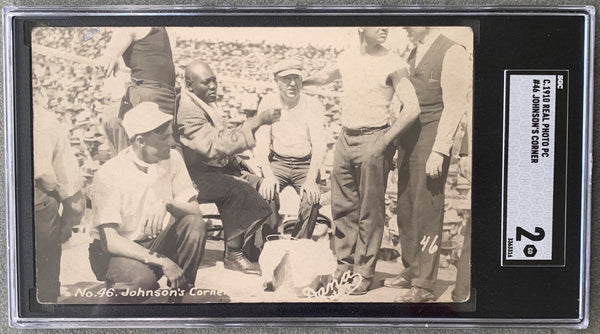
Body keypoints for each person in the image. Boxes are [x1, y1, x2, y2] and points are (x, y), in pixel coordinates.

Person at [304, 27, 421, 294]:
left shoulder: (393, 62)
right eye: (378, 22)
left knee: (370, 210)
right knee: (342, 206)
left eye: (387, 23)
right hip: (345, 137)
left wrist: (384, 140)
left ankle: (364, 273)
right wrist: (301, 80)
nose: (385, 28)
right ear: (360, 27)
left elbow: (412, 107)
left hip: (373, 137)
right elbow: (324, 76)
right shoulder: (347, 57)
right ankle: (344, 267)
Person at [383, 27, 470, 302]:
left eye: (410, 21)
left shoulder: (452, 50)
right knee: (406, 206)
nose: (405, 26)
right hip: (409, 140)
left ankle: (424, 284)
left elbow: (455, 105)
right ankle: (411, 269)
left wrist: (440, 150)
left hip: (432, 136)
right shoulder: (413, 51)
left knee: (427, 208)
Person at [89, 102, 206, 302]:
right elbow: (111, 241)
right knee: (138, 283)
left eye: (171, 134)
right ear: (141, 141)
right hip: (119, 250)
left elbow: (195, 212)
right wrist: (163, 262)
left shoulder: (172, 159)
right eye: (165, 137)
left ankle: (177, 300)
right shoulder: (109, 174)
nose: (172, 142)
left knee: (194, 224)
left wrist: (166, 203)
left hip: (155, 240)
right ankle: (121, 307)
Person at [175, 60, 282, 275]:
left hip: (214, 170)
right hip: (193, 176)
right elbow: (214, 145)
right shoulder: (187, 109)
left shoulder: (205, 102)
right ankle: (233, 255)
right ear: (189, 85)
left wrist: (248, 170)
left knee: (266, 186)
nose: (213, 86)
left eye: (214, 80)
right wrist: (257, 121)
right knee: (237, 188)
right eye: (206, 83)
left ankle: (258, 251)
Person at [254, 59, 326, 238]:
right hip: (278, 160)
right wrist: (269, 176)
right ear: (277, 81)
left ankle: (300, 244)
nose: (293, 83)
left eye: (297, 78)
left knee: (312, 198)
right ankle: (267, 243)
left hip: (305, 163)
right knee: (267, 193)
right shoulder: (269, 101)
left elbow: (319, 145)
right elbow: (261, 142)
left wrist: (310, 180)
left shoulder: (312, 104)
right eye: (287, 78)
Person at [34, 107, 86, 303]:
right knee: (43, 294)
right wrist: (68, 222)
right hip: (37, 202)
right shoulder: (43, 118)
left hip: (37, 201)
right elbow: (71, 190)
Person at [101, 27, 177, 155]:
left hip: (163, 93)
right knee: (152, 150)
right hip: (149, 93)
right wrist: (112, 56)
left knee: (164, 150)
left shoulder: (157, 25)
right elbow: (125, 30)